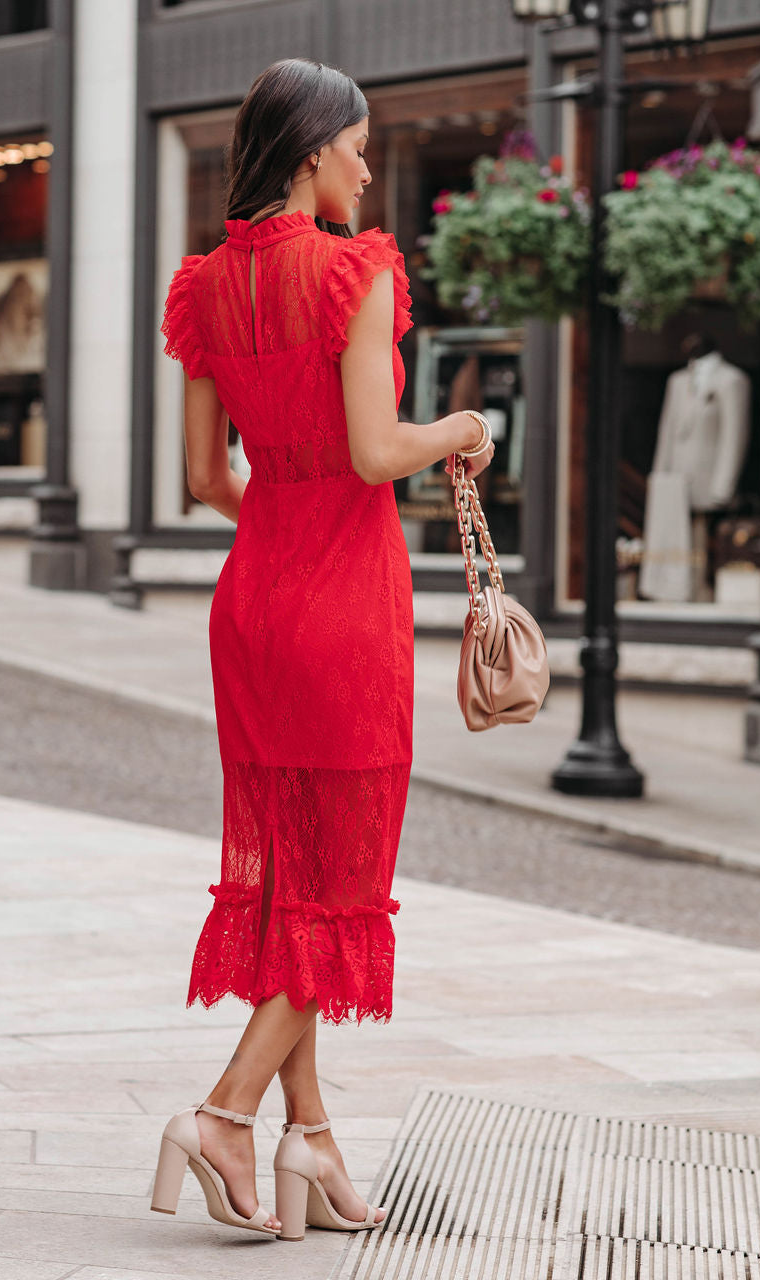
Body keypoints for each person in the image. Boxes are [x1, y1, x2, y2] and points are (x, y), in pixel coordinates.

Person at [151, 57, 494, 1243]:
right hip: (345, 607)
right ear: (309, 155)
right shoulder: (357, 270)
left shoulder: (204, 286)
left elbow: (206, 476)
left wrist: (284, 526)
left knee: (288, 883)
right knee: (341, 886)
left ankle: (311, 1137)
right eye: (355, 145)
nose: (365, 165)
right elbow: (373, 450)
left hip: (252, 604)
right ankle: (223, 1113)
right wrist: (463, 424)